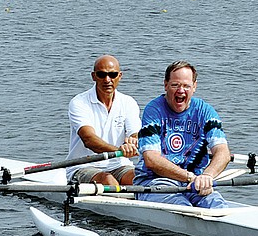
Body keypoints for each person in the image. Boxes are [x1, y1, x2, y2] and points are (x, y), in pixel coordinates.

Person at [134, 60, 231, 208]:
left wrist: (207, 176)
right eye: (175, 85)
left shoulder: (205, 111)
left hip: (196, 182)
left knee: (218, 206)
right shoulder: (153, 111)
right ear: (166, 85)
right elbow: (151, 160)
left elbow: (223, 153)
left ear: (194, 87)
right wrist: (188, 176)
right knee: (183, 207)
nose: (181, 90)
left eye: (186, 86)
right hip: (154, 181)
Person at [66, 55, 141, 186]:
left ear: (119, 76)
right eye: (101, 74)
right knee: (108, 180)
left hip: (119, 165)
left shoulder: (128, 102)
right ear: (93, 76)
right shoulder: (79, 102)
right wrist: (119, 150)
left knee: (140, 178)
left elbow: (134, 133)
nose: (107, 80)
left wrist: (132, 142)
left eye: (112, 75)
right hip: (83, 166)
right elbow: (89, 140)